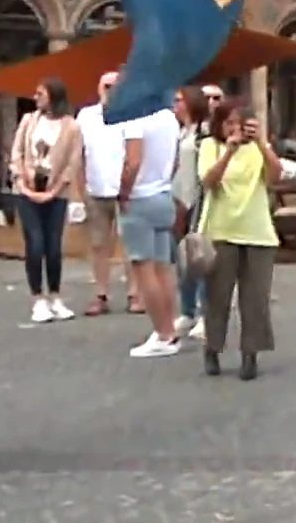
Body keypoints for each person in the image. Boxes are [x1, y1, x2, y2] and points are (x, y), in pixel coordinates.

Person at [195, 97, 280, 380]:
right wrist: (228, 153)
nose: (234, 129)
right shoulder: (210, 146)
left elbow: (275, 177)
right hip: (221, 230)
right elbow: (208, 182)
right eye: (228, 123)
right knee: (218, 297)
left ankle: (250, 354)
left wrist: (262, 144)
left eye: (240, 124)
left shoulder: (258, 149)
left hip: (257, 231)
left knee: (255, 299)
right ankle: (212, 348)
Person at [8, 78, 84, 322]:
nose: (36, 96)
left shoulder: (71, 127)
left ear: (54, 96)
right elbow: (16, 152)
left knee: (53, 245)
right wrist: (20, 180)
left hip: (56, 192)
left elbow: (73, 162)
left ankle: (55, 297)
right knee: (36, 243)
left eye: (41, 93)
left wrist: (56, 190)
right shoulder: (29, 121)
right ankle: (38, 299)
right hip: (27, 189)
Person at [116, 89, 185, 358]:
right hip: (162, 194)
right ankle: (170, 328)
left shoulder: (135, 119)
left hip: (141, 196)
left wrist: (124, 192)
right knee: (162, 267)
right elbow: (175, 160)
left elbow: (133, 161)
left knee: (143, 268)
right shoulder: (169, 118)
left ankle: (163, 333)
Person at [77, 72, 139, 316]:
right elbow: (79, 152)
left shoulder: (133, 114)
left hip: (124, 189)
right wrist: (80, 189)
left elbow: (134, 154)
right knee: (98, 244)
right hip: (96, 187)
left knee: (129, 244)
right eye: (107, 85)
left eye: (116, 85)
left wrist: (129, 187)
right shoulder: (86, 116)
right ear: (98, 87)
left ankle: (134, 293)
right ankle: (101, 293)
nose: (111, 90)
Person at [171, 85, 217, 340]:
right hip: (178, 200)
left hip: (197, 200)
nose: (175, 105)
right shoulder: (179, 133)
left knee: (199, 258)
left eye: (179, 100)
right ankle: (186, 310)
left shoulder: (203, 134)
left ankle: (203, 313)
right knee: (182, 259)